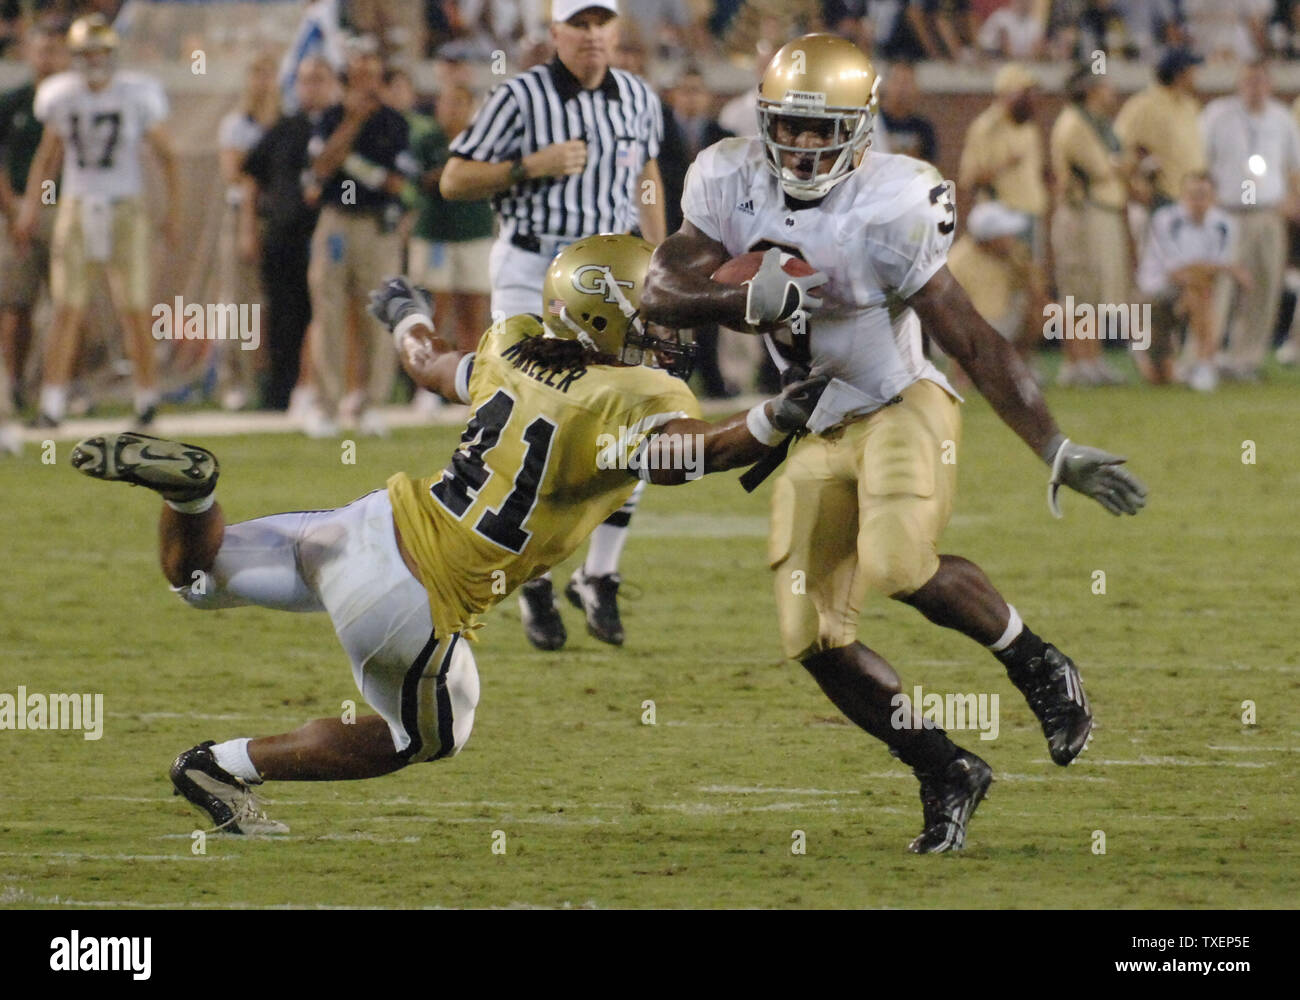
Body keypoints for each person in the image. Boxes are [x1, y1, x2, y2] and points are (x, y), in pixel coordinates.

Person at [68, 235, 829, 834]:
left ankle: (196, 495)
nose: (668, 329)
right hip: (414, 598)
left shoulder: (515, 346)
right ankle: (220, 766)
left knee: (195, 581)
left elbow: (429, 363)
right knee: (425, 738)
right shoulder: (637, 394)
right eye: (652, 314)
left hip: (364, 526)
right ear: (608, 317)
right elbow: (682, 457)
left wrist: (405, 313)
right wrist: (776, 417)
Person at [642, 33, 1148, 853]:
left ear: (862, 125)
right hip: (813, 420)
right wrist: (738, 305)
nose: (804, 146)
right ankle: (943, 765)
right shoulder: (728, 176)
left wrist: (1052, 445)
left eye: (822, 128)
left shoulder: (893, 203)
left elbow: (974, 339)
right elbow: (660, 287)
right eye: (791, 127)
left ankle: (1035, 662)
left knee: (896, 561)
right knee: (810, 634)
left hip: (899, 402)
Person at [440, 0, 667, 652]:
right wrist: (525, 168)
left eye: (603, 23)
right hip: (532, 264)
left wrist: (660, 264)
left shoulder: (638, 98)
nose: (593, 36)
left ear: (616, 29)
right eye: (580, 23)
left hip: (610, 272)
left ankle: (599, 574)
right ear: (555, 31)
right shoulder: (520, 97)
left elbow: (646, 173)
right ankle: (529, 574)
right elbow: (454, 178)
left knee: (638, 414)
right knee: (528, 423)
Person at [15, 14, 178, 430]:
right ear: (75, 57)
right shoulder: (61, 95)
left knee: (135, 308)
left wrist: (174, 210)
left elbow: (167, 155)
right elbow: (47, 157)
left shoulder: (136, 94)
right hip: (77, 204)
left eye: (100, 51)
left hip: (126, 206)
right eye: (86, 53)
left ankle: (146, 400)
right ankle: (52, 403)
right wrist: (33, 205)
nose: (93, 60)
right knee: (66, 309)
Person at [301, 40, 413, 438]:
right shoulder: (331, 117)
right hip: (337, 221)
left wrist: (358, 168)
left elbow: (399, 181)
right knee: (327, 311)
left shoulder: (394, 122)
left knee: (380, 315)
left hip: (376, 224)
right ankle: (326, 404)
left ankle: (369, 402)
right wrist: (350, 124)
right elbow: (319, 168)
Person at [240, 55, 338, 413]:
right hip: (285, 236)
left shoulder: (341, 126)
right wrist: (249, 229)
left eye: (320, 78)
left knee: (327, 314)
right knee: (284, 316)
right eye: (306, 80)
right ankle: (280, 394)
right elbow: (251, 177)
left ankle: (324, 391)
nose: (312, 87)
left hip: (329, 237)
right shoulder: (283, 128)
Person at [1201, 59, 1300, 382]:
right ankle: (1207, 356)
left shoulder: (1282, 118)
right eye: (1248, 81)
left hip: (1266, 212)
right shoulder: (1218, 114)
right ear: (1238, 84)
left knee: (1264, 287)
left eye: (1260, 81)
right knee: (1218, 288)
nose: (1254, 88)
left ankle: (1246, 359)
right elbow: (1202, 161)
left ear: (1270, 85)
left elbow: (1293, 166)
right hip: (1227, 212)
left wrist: (1292, 201)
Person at [1049, 63, 1134, 387]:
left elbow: (1118, 161)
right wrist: (1124, 165)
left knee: (1096, 289)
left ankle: (1093, 360)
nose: (1112, 91)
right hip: (1081, 211)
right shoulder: (1074, 124)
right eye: (1105, 85)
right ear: (1090, 90)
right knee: (1078, 287)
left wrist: (1122, 164)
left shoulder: (1098, 123)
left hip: (1101, 210)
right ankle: (1075, 362)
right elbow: (1101, 167)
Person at [0, 17, 67, 426]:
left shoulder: (75, 100)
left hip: (68, 207)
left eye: (56, 48)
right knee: (16, 303)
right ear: (29, 52)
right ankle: (12, 383)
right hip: (21, 209)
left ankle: (60, 388)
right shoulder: (14, 101)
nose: (48, 56)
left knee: (70, 304)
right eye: (41, 48)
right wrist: (13, 209)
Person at [1136, 171, 1247, 391]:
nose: (1197, 201)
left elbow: (1206, 271)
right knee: (1158, 378)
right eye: (1192, 194)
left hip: (1195, 292)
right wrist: (1228, 269)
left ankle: (1204, 363)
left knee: (1200, 293)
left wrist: (1215, 270)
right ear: (1182, 196)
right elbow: (1177, 271)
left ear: (1213, 196)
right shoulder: (1166, 219)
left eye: (1203, 194)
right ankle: (1164, 355)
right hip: (1155, 296)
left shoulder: (1224, 224)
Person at [215, 52, 280, 411]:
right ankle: (234, 380)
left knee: (274, 304)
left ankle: (271, 380)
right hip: (242, 213)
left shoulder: (285, 123)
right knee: (239, 303)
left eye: (268, 75)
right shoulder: (236, 125)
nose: (262, 83)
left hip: (278, 216)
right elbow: (234, 172)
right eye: (256, 74)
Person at [1114, 47, 1204, 211]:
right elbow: (1119, 148)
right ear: (1180, 74)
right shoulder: (1143, 106)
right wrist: (1134, 187)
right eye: (1193, 70)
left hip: (1194, 199)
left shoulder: (1189, 105)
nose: (1197, 75)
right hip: (1162, 199)